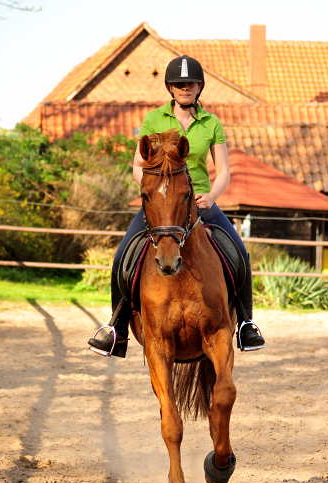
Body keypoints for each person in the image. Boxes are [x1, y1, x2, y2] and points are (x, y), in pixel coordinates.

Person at [88, 55, 265, 357]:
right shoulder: (153, 120)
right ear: (170, 88)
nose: (186, 88)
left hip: (199, 203)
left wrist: (211, 197)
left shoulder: (211, 123)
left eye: (191, 83)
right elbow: (137, 165)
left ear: (199, 87)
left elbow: (223, 171)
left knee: (240, 253)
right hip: (161, 205)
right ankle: (116, 328)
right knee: (122, 255)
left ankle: (247, 323)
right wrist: (151, 190)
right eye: (180, 84)